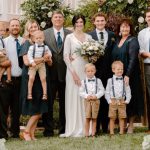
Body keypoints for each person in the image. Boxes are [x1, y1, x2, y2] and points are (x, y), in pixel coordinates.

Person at [60, 14, 92, 137]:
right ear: (74, 23)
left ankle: (86, 128)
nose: (79, 24)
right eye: (77, 22)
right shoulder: (69, 37)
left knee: (85, 97)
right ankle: (73, 128)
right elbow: (65, 57)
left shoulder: (89, 37)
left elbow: (92, 55)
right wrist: (73, 74)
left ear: (84, 23)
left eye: (81, 22)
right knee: (74, 97)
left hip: (86, 70)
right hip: (73, 71)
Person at [19, 20, 52, 141]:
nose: (33, 28)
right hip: (31, 79)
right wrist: (43, 59)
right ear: (28, 30)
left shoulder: (42, 42)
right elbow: (27, 62)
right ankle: (26, 132)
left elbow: (49, 62)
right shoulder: (26, 44)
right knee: (35, 107)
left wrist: (47, 60)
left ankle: (31, 134)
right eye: (31, 27)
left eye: (35, 26)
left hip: (42, 77)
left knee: (40, 107)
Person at [111, 18, 144, 133]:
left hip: (130, 75)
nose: (124, 28)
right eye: (122, 26)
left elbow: (133, 59)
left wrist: (128, 74)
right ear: (119, 28)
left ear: (130, 29)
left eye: (127, 26)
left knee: (131, 99)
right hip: (118, 74)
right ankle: (122, 123)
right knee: (121, 98)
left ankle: (130, 125)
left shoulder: (133, 40)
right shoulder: (117, 40)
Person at [43, 10, 71, 136]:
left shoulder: (70, 34)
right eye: (56, 17)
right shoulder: (45, 33)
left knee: (65, 104)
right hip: (49, 74)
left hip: (66, 74)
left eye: (60, 17)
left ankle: (64, 129)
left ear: (63, 19)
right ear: (52, 19)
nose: (58, 19)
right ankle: (48, 130)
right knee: (48, 103)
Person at [88, 12, 116, 134]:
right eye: (97, 21)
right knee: (96, 99)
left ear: (105, 22)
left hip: (109, 73)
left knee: (106, 98)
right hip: (95, 73)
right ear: (94, 22)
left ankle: (105, 126)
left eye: (102, 20)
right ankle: (96, 127)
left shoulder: (112, 35)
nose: (100, 23)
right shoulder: (89, 35)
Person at [0, 18, 23, 139]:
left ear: (20, 27)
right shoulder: (4, 42)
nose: (15, 27)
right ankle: (2, 134)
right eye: (13, 25)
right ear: (10, 27)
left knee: (16, 108)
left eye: (17, 25)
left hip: (20, 80)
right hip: (6, 80)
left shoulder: (24, 41)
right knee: (3, 108)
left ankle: (15, 132)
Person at [105, 61, 131, 135]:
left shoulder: (125, 80)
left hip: (122, 101)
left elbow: (128, 91)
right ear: (113, 70)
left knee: (122, 117)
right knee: (112, 117)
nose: (120, 71)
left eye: (121, 69)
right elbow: (107, 92)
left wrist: (127, 100)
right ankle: (111, 132)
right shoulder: (110, 80)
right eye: (118, 69)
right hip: (113, 101)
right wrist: (109, 101)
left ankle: (121, 132)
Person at [79, 63, 104, 137]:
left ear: (95, 71)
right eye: (88, 71)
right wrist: (86, 96)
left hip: (96, 101)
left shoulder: (98, 81)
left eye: (92, 71)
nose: (90, 73)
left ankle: (93, 133)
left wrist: (96, 96)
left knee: (94, 118)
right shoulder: (83, 82)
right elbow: (80, 92)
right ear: (85, 72)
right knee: (87, 118)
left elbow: (102, 90)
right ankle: (86, 134)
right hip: (87, 101)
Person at [27, 30, 52, 101]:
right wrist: (32, 62)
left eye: (40, 38)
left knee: (43, 78)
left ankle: (45, 94)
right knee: (31, 78)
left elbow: (49, 53)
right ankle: (29, 93)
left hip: (42, 64)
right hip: (33, 65)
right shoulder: (32, 47)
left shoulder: (45, 47)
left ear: (43, 38)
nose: (39, 39)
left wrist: (49, 56)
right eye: (37, 38)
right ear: (34, 39)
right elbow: (29, 56)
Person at [138, 10, 150, 133]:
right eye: (148, 16)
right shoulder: (142, 33)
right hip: (148, 66)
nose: (149, 18)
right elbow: (141, 51)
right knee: (149, 95)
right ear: (145, 19)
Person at [0, 23, 12, 87]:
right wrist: (2, 53)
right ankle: (9, 79)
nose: (2, 32)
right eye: (1, 30)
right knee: (9, 63)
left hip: (3, 54)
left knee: (3, 67)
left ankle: (8, 79)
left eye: (3, 30)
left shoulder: (2, 38)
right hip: (1, 55)